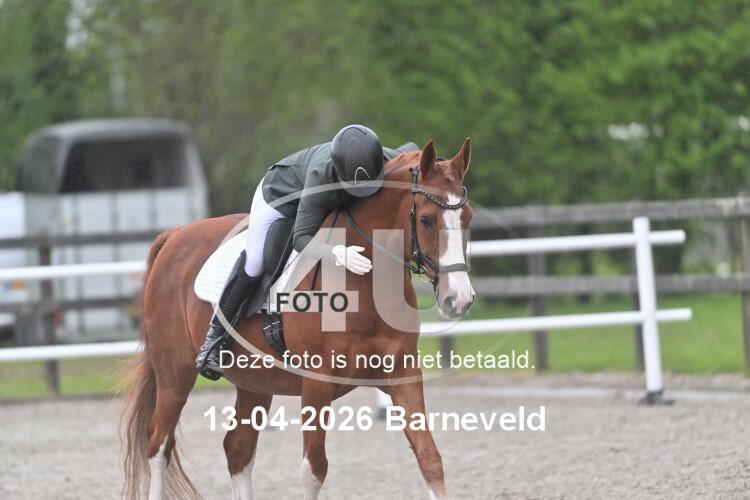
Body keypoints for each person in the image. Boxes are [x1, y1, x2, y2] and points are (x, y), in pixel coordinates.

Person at [196, 125, 418, 379]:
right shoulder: (319, 177)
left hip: (325, 197)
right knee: (256, 261)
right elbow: (301, 238)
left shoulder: (385, 158)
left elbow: (415, 154)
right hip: (279, 198)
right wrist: (337, 253)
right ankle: (214, 339)